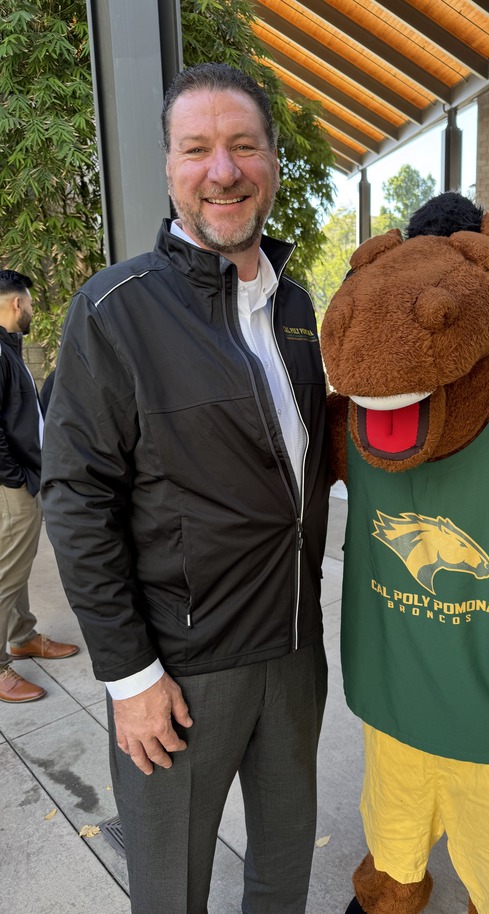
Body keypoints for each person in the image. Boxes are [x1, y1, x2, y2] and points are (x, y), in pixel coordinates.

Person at [41, 63, 329, 914]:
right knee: (172, 890)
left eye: (243, 146)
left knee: (282, 868)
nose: (223, 170)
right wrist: (129, 677)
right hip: (179, 669)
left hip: (291, 649)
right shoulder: (114, 310)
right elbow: (76, 499)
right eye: (197, 149)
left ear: (273, 161)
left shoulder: (297, 309)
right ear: (170, 167)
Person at [0, 271, 79, 704]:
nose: (32, 310)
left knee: (17, 567)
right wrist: (16, 476)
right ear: (16, 303)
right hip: (11, 485)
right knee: (5, 574)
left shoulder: (8, 351)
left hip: (21, 479)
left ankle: (22, 635)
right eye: (28, 302)